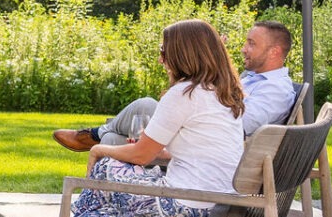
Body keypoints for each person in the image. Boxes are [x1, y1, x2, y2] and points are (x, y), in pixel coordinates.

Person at [2, 19, 245, 217]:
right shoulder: (225, 95)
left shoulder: (184, 94)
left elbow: (141, 157)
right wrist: (153, 149)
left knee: (105, 169)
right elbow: (200, 153)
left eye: (164, 52)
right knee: (101, 201)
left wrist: (101, 150)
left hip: (181, 214)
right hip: (210, 212)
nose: (161, 59)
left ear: (184, 54)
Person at [51, 20, 297, 153]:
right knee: (117, 138)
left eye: (252, 44)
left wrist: (192, 104)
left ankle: (94, 136)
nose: (244, 48)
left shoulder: (276, 90)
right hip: (202, 138)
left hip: (207, 148)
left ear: (275, 51)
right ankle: (100, 139)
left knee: (146, 106)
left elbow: (237, 123)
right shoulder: (253, 77)